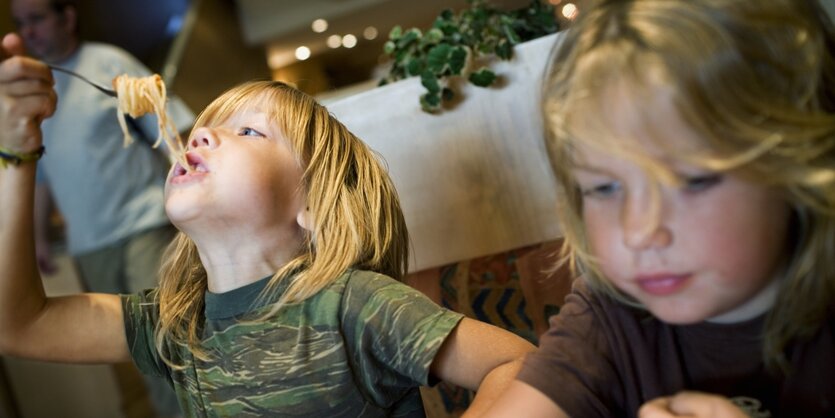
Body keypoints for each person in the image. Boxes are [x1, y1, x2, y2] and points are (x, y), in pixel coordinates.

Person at [0, 32, 535, 416]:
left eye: (250, 132)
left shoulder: (351, 304)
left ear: (312, 207)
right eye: (205, 127)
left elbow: (519, 367)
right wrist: (16, 152)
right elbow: (18, 324)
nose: (201, 135)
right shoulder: (176, 324)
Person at [471, 0, 835, 417]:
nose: (638, 232)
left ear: (801, 165)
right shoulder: (609, 317)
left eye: (693, 181)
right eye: (604, 188)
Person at [10, 0, 194, 415]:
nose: (29, 32)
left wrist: (191, 181)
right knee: (130, 354)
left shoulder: (106, 61)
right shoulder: (37, 87)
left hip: (143, 223)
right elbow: (40, 175)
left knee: (167, 340)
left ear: (66, 18)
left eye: (37, 19)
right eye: (22, 24)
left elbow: (166, 122)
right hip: (89, 242)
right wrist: (38, 239)